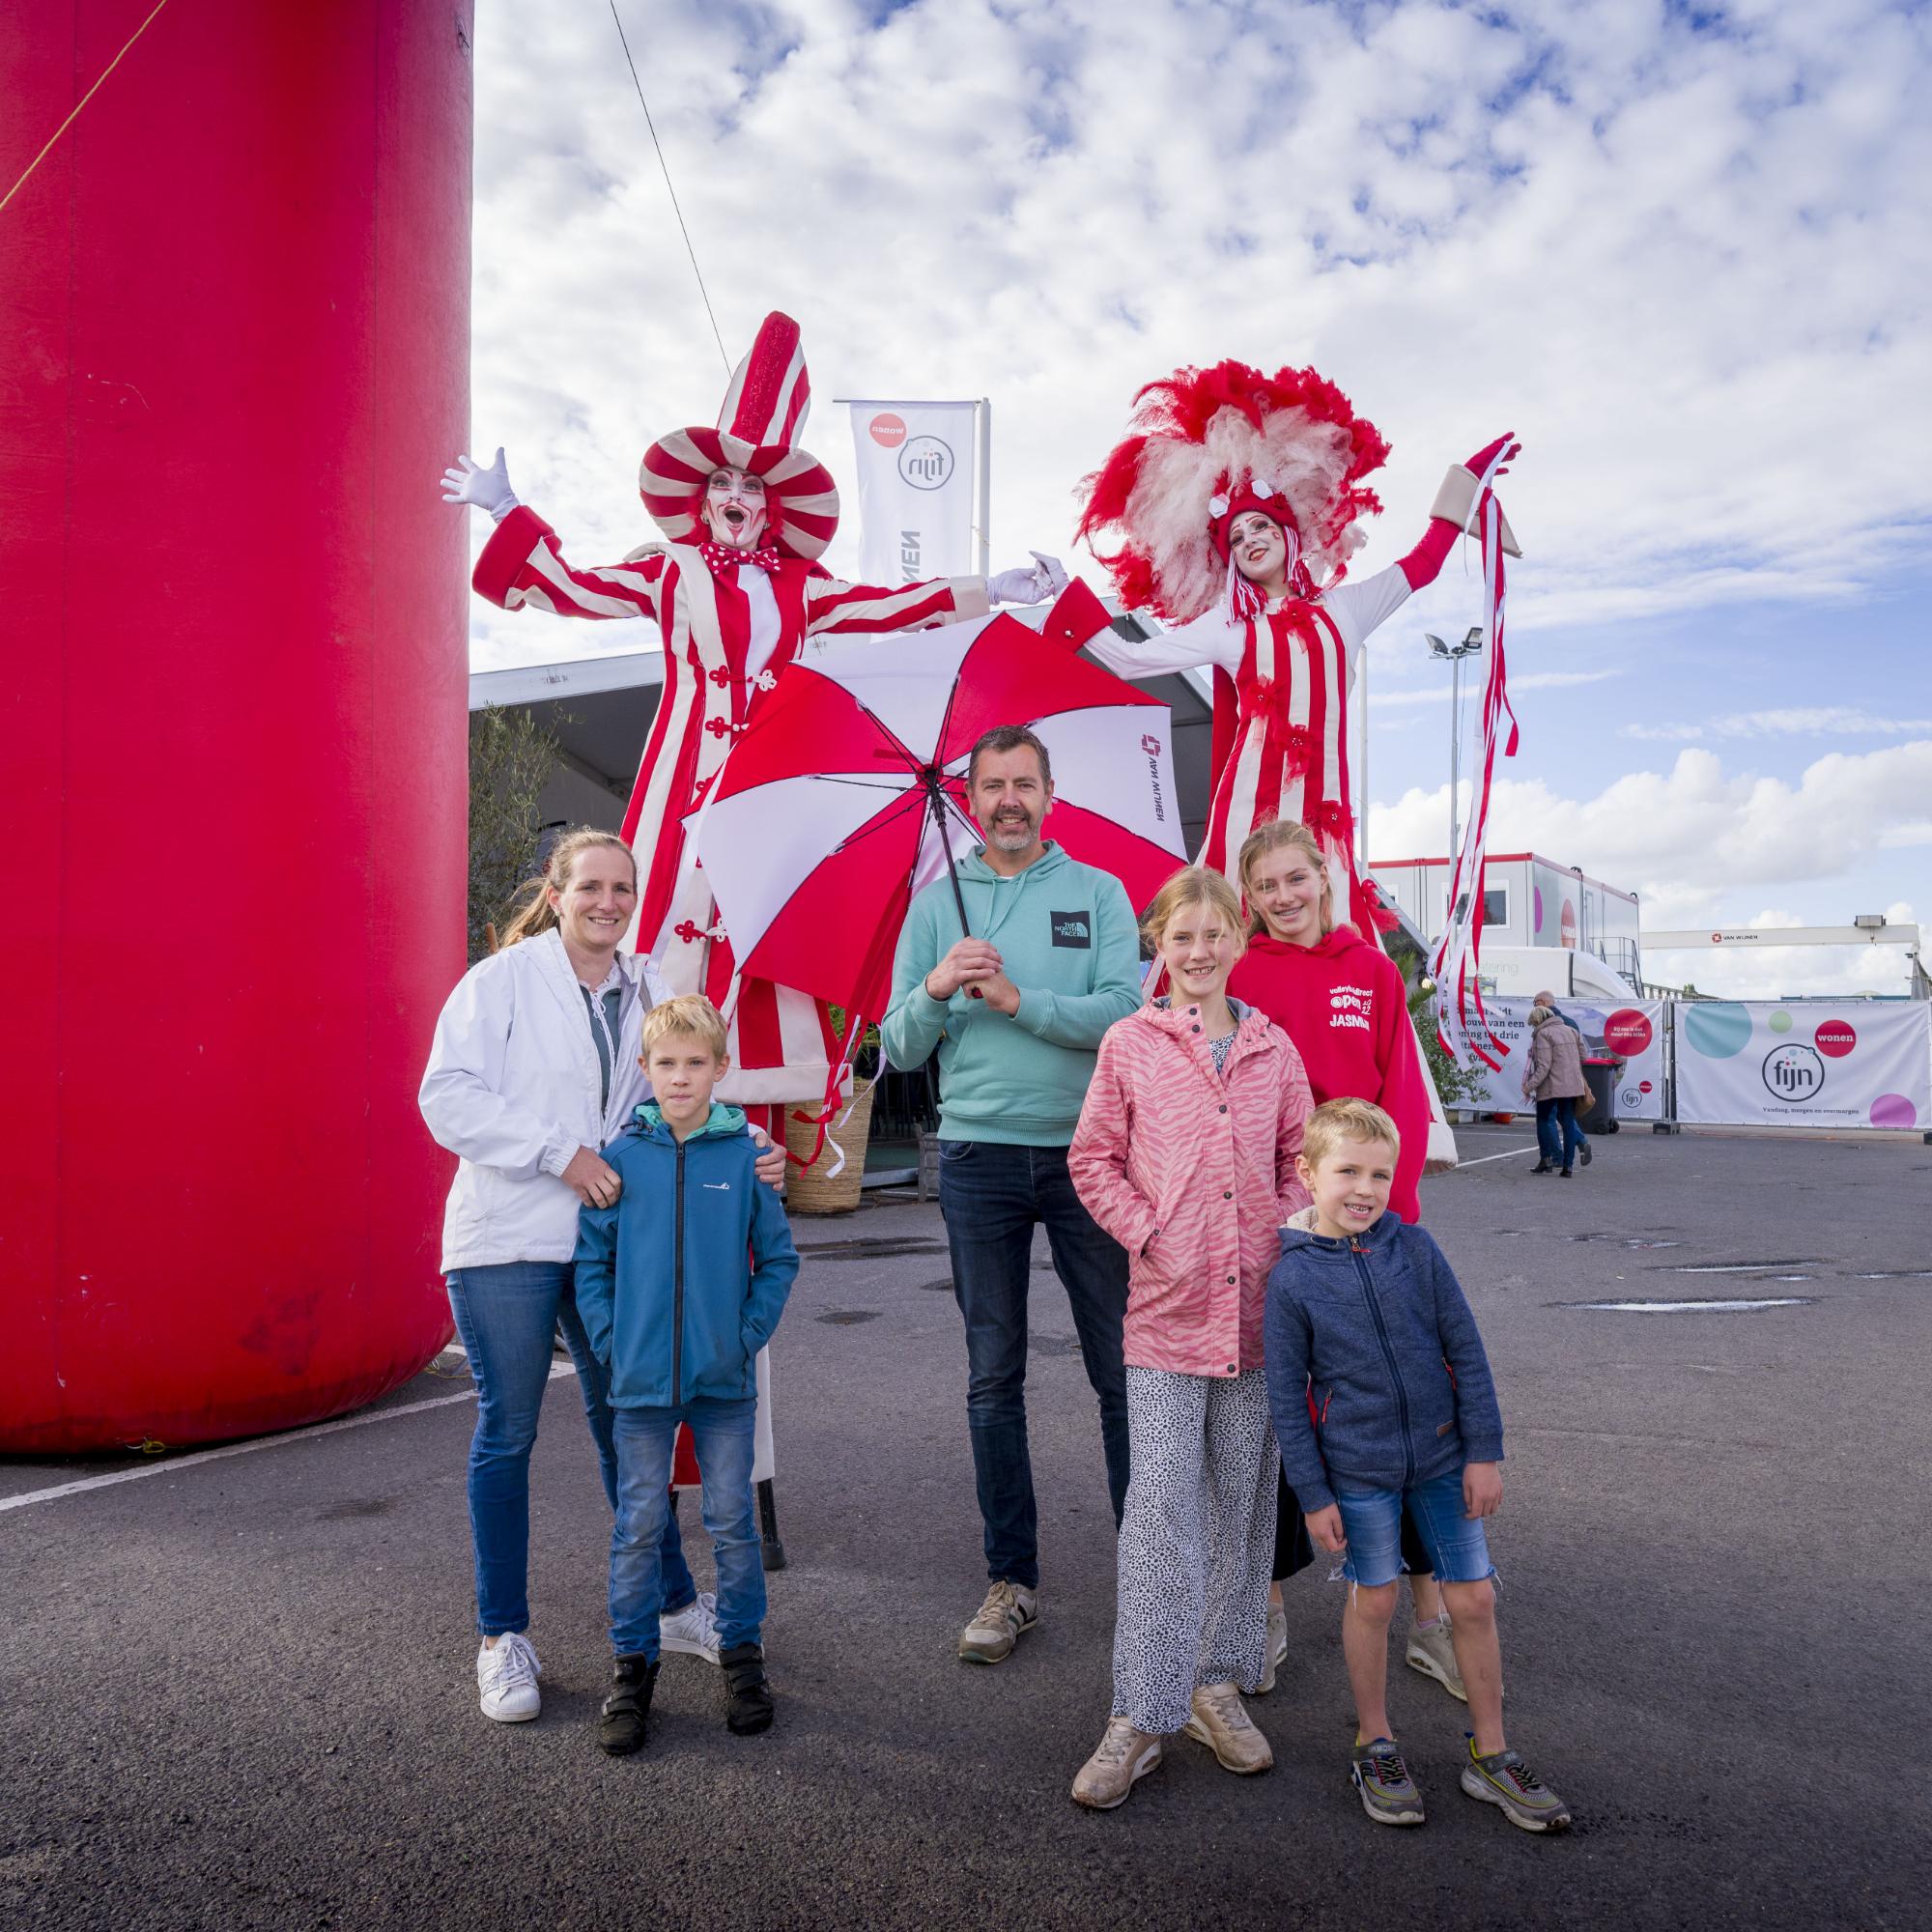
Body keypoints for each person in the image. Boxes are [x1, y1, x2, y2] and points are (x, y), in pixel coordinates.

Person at [443, 311, 1066, 1139]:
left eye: (750, 487)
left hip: (769, 779)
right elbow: (577, 589)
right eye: (723, 485)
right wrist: (510, 510)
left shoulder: (804, 589)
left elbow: (892, 607)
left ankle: (751, 1140)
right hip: (677, 781)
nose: (735, 498)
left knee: (767, 933)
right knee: (657, 920)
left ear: (771, 506)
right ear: (701, 497)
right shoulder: (671, 572)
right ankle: (630, 1111)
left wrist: (994, 584)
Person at [418, 829, 784, 1723]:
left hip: (607, 1237)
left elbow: (683, 1085)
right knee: (508, 1431)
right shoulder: (499, 983)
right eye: (591, 886)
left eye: (623, 888)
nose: (608, 902)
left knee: (627, 1422)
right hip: (507, 1236)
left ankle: (667, 1606)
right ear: (556, 892)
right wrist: (562, 1154)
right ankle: (503, 1637)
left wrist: (746, 1144)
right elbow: (445, 1096)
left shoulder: (656, 984)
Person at [1071, 357, 1519, 938]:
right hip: (1243, 821)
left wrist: (1467, 481)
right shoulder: (1228, 628)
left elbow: (1423, 565)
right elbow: (1128, 658)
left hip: (1324, 821)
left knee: (1339, 948)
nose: (1249, 540)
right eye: (1236, 537)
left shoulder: (1345, 610)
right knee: (1227, 950)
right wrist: (1064, 593)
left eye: (1259, 527)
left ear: (1287, 533)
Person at [880, 724, 1142, 1664]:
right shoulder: (933, 906)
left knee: (1121, 1370)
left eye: (1022, 783)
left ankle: (1147, 1567)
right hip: (977, 1160)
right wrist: (941, 985)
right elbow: (898, 1046)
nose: (1006, 800)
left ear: (1047, 791)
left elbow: (1123, 1010)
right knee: (992, 1376)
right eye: (990, 785)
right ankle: (1010, 1579)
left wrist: (1015, 1000)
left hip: (1087, 1157)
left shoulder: (1096, 892)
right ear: (968, 796)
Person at [1065, 867, 1312, 1809]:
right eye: (1181, 936)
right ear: (1157, 945)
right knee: (1160, 1513)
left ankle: (1212, 1683)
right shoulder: (1130, 1042)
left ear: (1235, 941)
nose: (1198, 951)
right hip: (1164, 1321)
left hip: (1254, 1322)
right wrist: (1147, 1229)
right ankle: (1138, 1708)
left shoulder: (1271, 1048)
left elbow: (1300, 1156)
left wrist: (1281, 1228)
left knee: (1239, 1509)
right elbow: (1090, 1156)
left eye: (1214, 935)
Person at [1266, 1098, 1571, 1833]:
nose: (1364, 1189)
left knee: (1473, 1602)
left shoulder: (1418, 1250)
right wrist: (1312, 1496)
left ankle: (1491, 1755)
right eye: (1347, 1171)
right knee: (1373, 1601)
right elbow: (1286, 1398)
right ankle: (1375, 1743)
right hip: (1358, 1473)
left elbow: (1465, 1350)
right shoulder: (1291, 1280)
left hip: (1442, 1461)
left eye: (1379, 1174)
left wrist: (1483, 1452)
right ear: (1308, 1174)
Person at [1227, 818, 1463, 1702]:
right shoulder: (1240, 972)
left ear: (1325, 878)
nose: (1285, 898)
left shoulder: (1368, 970)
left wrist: (1392, 1212)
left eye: (1299, 879)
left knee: (1407, 1409)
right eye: (1268, 886)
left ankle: (1431, 1619)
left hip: (1372, 1217)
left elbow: (1397, 1083)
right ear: (1251, 897)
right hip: (1286, 1227)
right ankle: (1267, 1606)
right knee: (1285, 1415)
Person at [574, 996, 800, 1754]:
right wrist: (610, 1343)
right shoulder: (620, 1158)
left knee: (732, 1521)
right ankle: (631, 1668)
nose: (680, 1077)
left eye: (695, 1063)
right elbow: (592, 1265)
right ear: (644, 1071)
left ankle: (742, 1657)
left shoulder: (743, 1159)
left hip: (724, 1380)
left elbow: (779, 1260)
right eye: (666, 1064)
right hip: (637, 1384)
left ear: (720, 1069)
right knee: (639, 1525)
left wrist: (743, 1338)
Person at [1523, 1005, 1589, 1177]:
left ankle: (1546, 1160)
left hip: (1551, 1087)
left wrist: (1528, 1086)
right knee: (1568, 1124)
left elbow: (1543, 1067)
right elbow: (1584, 1056)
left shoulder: (1543, 1034)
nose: (1533, 1027)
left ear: (1539, 1020)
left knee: (1543, 1121)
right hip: (1572, 1086)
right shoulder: (1571, 1030)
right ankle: (1568, 1167)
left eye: (1533, 1023)